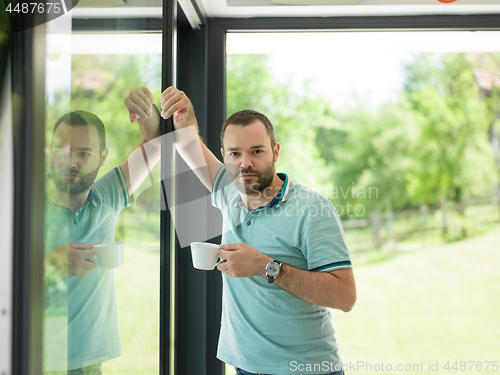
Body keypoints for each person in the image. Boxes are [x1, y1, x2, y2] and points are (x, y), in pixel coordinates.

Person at [130, 87, 356, 375]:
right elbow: (188, 145)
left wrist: (266, 267)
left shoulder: (312, 210)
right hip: (244, 366)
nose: (245, 163)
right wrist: (184, 111)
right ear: (224, 156)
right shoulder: (229, 189)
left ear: (275, 151)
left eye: (257, 151)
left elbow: (345, 296)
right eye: (235, 153)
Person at [43, 87, 165, 374]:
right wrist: (49, 262)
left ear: (102, 156)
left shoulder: (108, 194)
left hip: (90, 363)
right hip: (37, 358)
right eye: (62, 151)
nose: (71, 162)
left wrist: (145, 109)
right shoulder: (21, 203)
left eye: (83, 153)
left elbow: (156, 143)